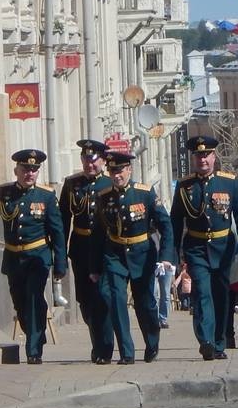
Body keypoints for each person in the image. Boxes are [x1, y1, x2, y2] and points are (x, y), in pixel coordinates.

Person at [0, 149, 66, 364]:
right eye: (26, 169)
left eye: (34, 170)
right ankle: (37, 332)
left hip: (38, 256)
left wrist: (60, 264)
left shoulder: (46, 196)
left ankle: (33, 350)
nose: (30, 174)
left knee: (35, 298)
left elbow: (57, 231)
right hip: (13, 257)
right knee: (20, 303)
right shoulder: (3, 193)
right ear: (16, 170)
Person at [171, 135, 238, 361]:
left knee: (222, 296)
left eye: (206, 155)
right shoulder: (184, 186)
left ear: (214, 157)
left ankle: (218, 343)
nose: (202, 160)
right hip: (196, 248)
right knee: (203, 293)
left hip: (223, 247)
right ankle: (205, 341)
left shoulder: (229, 182)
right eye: (198, 156)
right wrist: (173, 253)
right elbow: (175, 220)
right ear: (193, 158)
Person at [89, 151, 172, 364]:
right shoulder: (103, 197)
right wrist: (95, 267)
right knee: (115, 299)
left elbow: (165, 225)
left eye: (120, 170)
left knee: (145, 304)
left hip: (142, 253)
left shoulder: (145, 193)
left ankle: (152, 342)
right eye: (112, 171)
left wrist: (166, 256)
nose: (116, 175)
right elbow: (98, 234)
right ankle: (127, 351)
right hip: (114, 254)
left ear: (129, 170)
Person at [58, 139, 111, 362]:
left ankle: (104, 348)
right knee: (85, 302)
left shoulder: (110, 183)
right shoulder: (72, 185)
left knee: (103, 298)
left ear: (103, 161)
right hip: (80, 249)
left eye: (94, 160)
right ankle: (96, 340)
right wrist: (59, 253)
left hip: (105, 250)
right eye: (85, 160)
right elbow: (62, 220)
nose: (90, 165)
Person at [154, 257, 176, 329]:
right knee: (154, 293)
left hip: (168, 263)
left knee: (166, 294)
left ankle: (163, 319)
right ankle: (155, 319)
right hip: (154, 262)